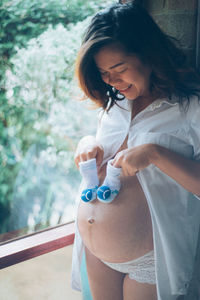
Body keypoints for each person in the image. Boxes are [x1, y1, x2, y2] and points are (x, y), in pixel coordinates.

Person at [71, 1, 200, 299]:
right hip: (97, 254)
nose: (112, 81)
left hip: (150, 261)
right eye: (103, 72)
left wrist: (156, 154)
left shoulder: (190, 108)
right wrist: (87, 144)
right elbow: (106, 151)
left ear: (148, 54)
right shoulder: (114, 104)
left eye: (119, 69)